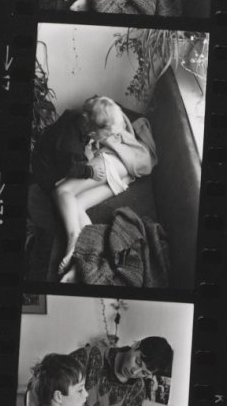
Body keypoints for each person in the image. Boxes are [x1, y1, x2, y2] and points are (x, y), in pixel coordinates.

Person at [50, 96, 157, 279]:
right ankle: (82, 262)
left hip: (113, 162)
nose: (109, 138)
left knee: (60, 191)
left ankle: (74, 237)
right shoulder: (97, 120)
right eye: (107, 135)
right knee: (76, 205)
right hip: (122, 175)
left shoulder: (98, 120)